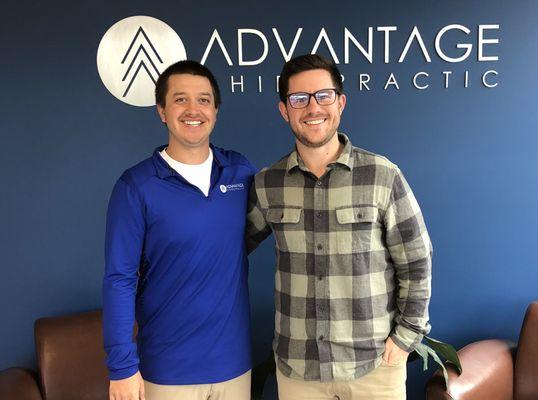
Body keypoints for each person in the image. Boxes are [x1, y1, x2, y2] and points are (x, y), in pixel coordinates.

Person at [246, 54, 432, 400]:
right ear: (284, 110)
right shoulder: (268, 184)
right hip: (299, 370)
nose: (313, 107)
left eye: (324, 95)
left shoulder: (382, 175)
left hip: (374, 366)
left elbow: (417, 261)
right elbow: (225, 248)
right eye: (299, 99)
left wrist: (406, 338)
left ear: (341, 102)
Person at [103, 60, 256, 400]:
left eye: (203, 99)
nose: (193, 109)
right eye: (180, 99)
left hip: (234, 365)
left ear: (215, 110)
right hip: (168, 370)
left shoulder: (239, 172)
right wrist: (122, 367)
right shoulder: (136, 186)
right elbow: (119, 279)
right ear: (161, 110)